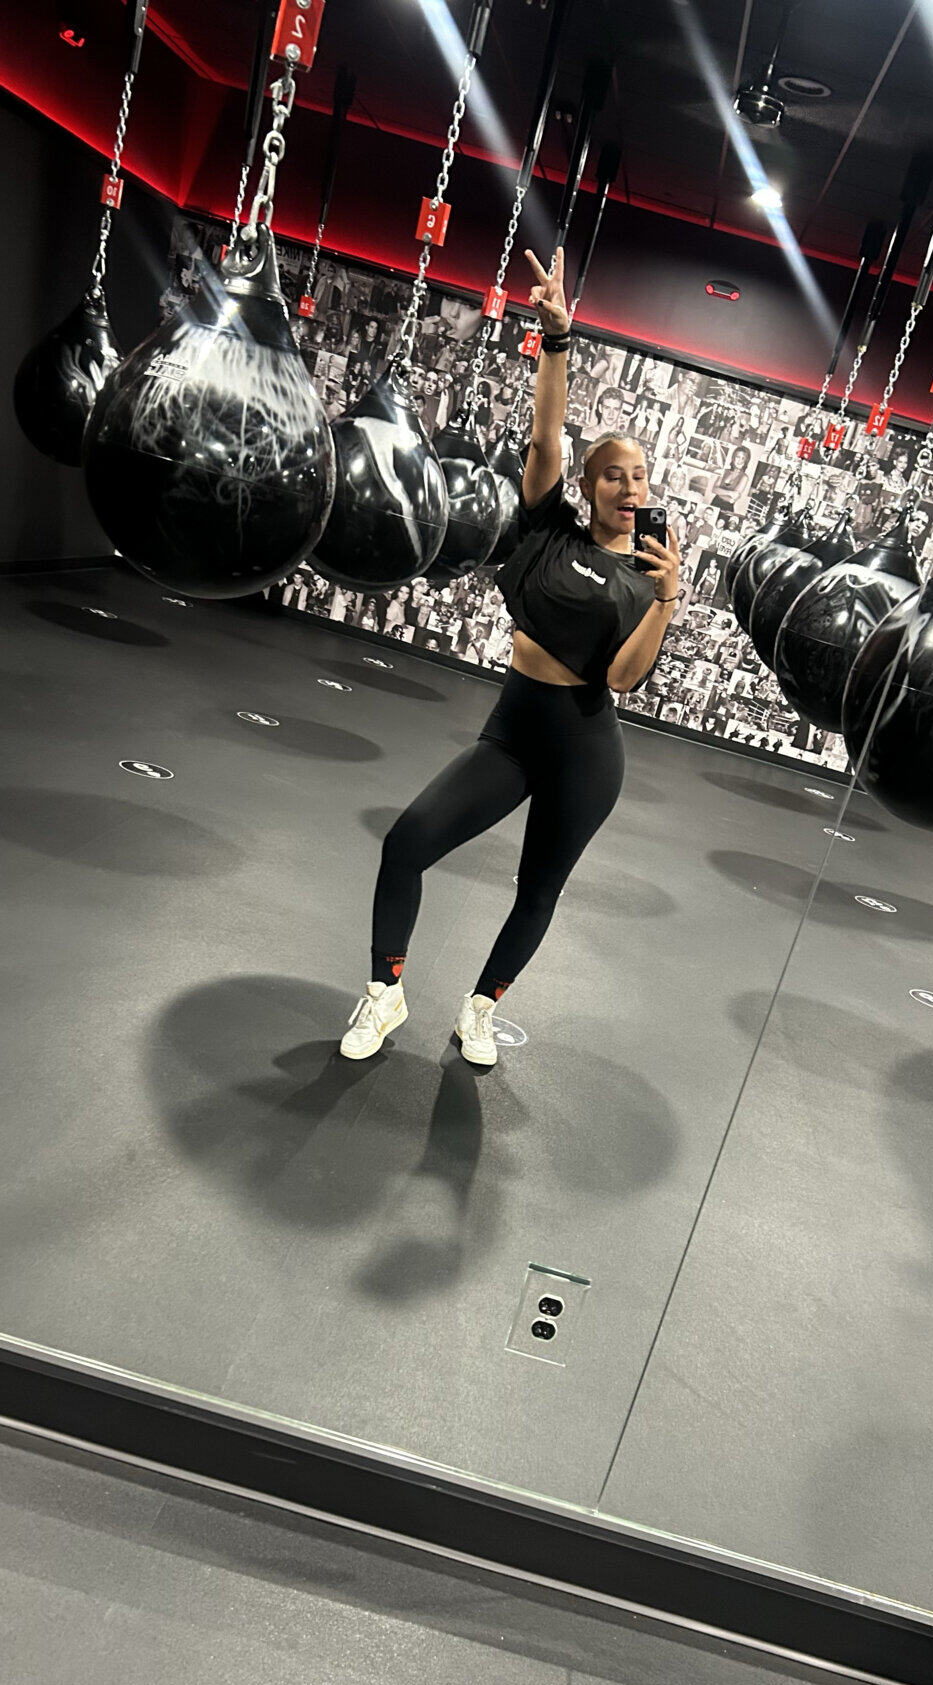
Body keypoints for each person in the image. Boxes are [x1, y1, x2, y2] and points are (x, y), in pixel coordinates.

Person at [340, 245, 681, 1068]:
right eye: (613, 476)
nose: (629, 488)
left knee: (537, 891)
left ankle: (482, 1010)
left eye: (639, 477)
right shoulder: (546, 526)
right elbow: (544, 438)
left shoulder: (647, 572)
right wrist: (558, 340)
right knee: (407, 843)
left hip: (585, 748)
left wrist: (668, 600)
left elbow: (622, 679)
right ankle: (385, 993)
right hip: (513, 731)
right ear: (587, 485)